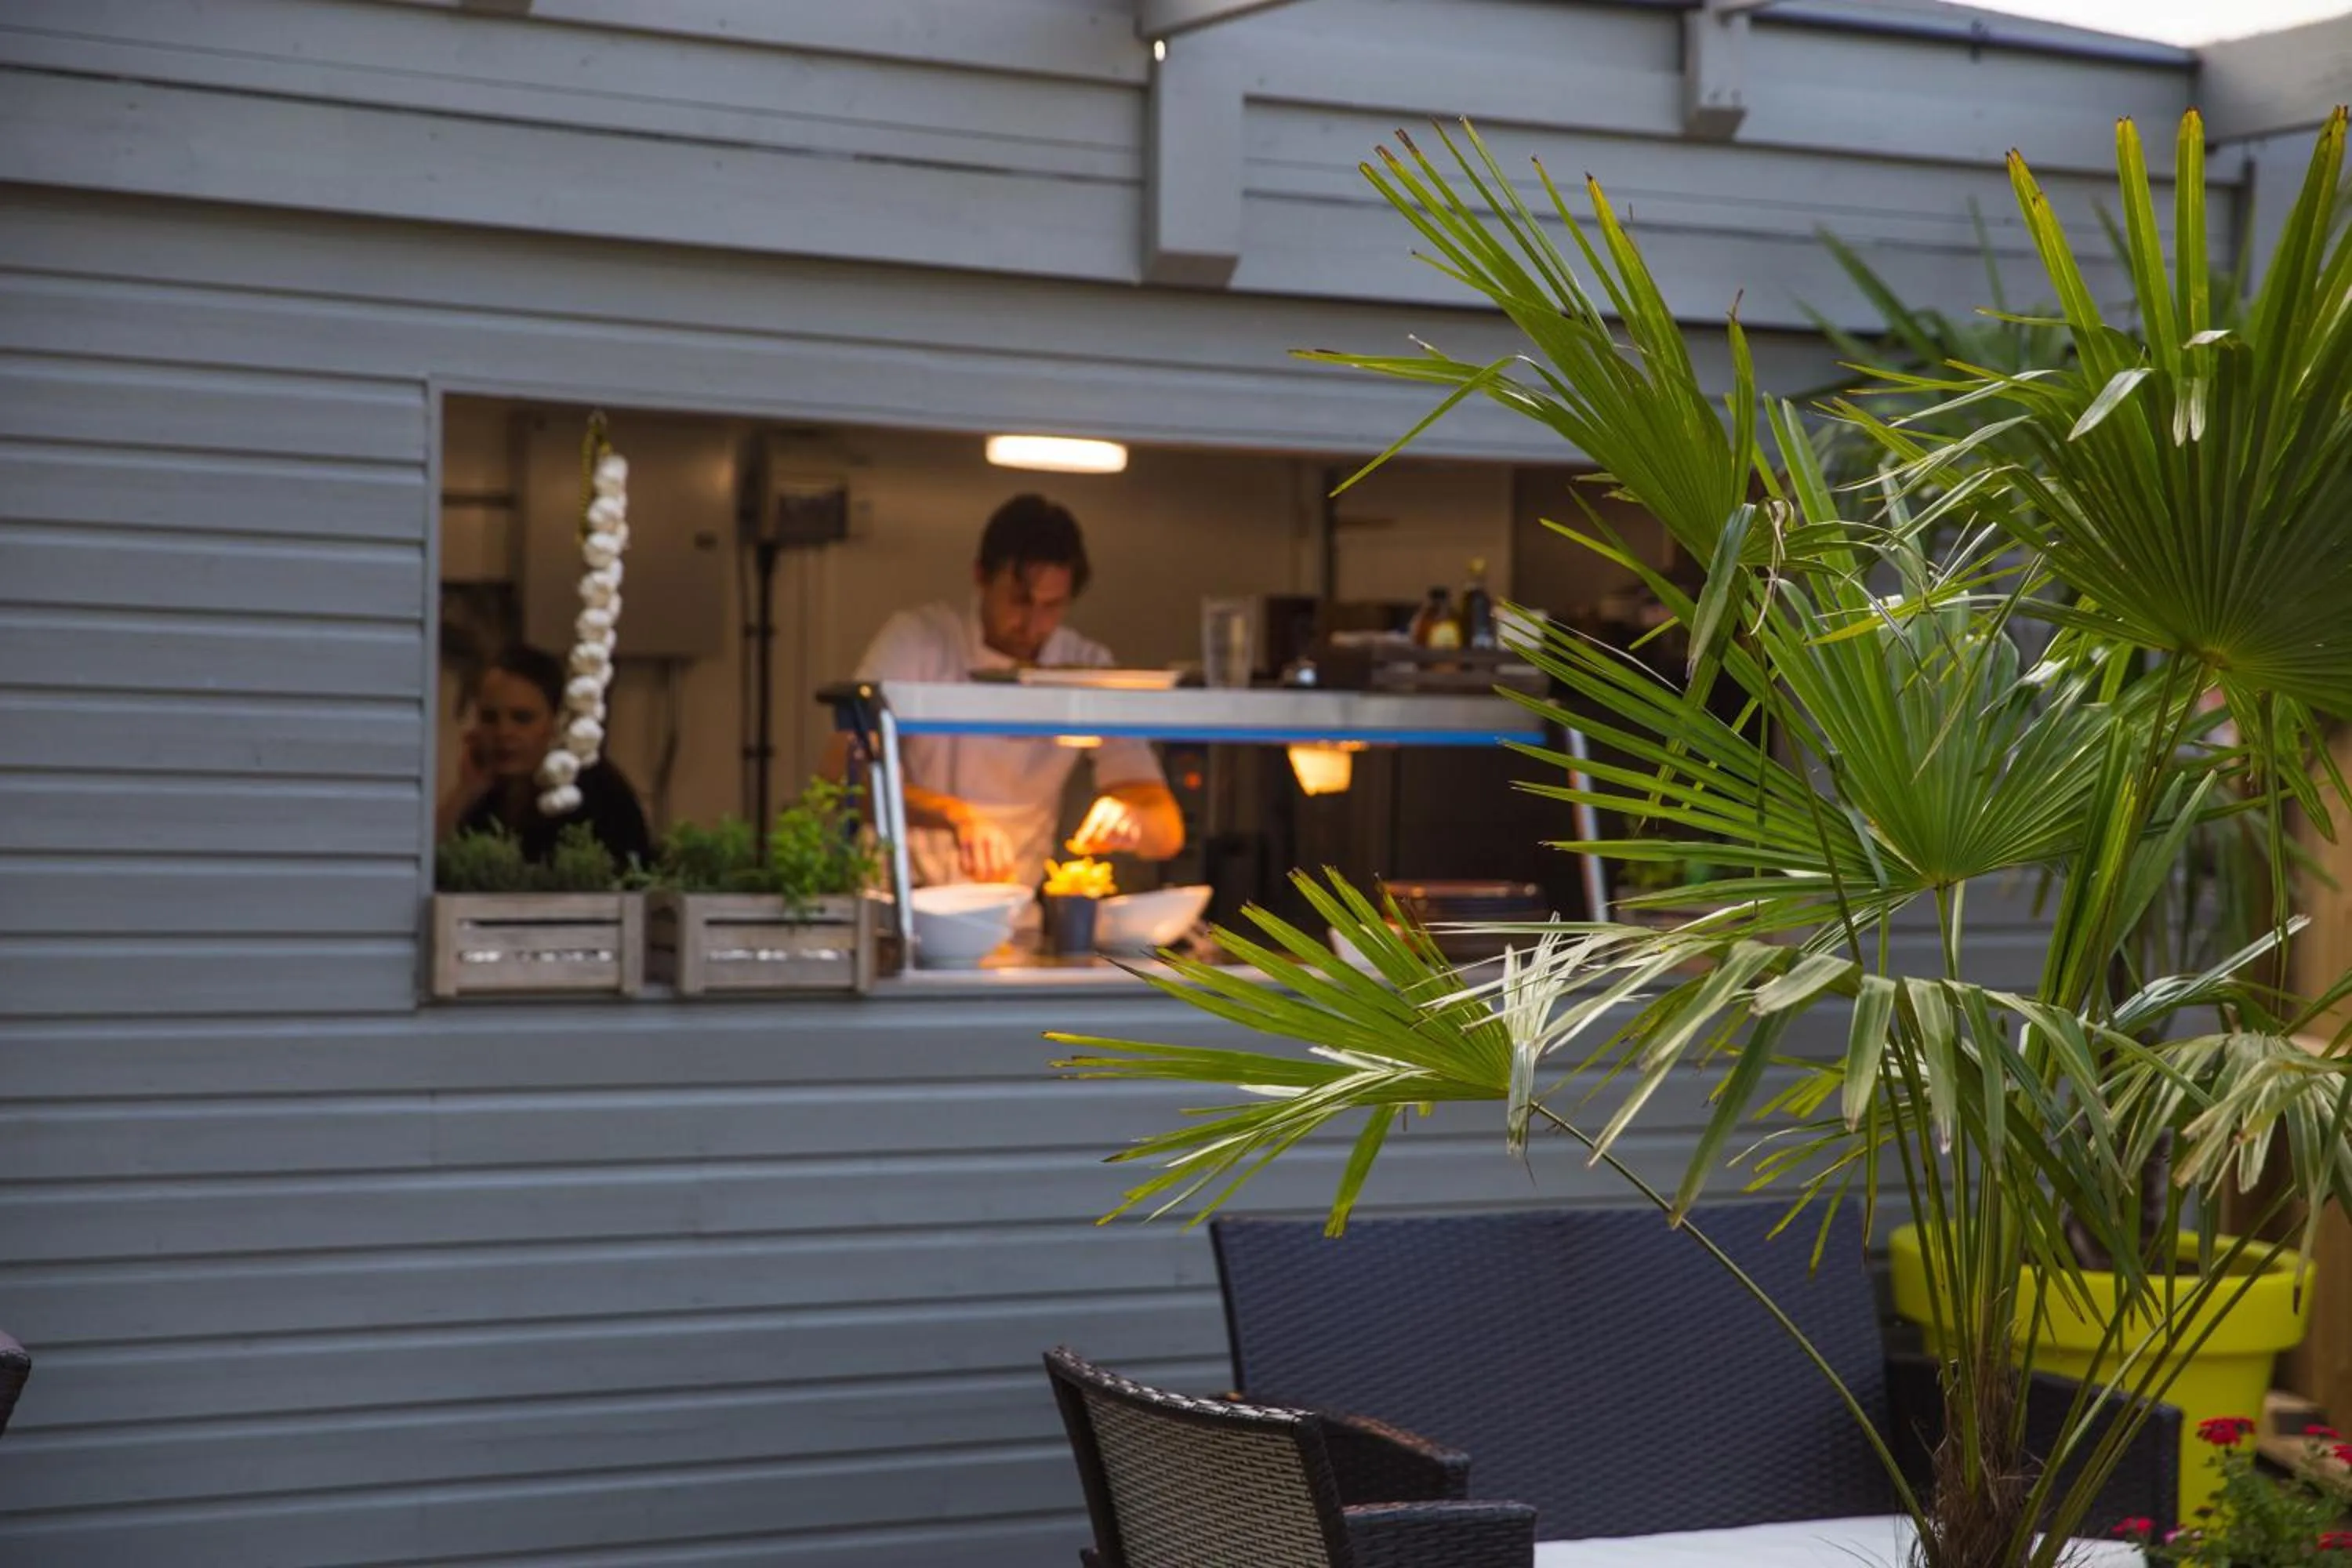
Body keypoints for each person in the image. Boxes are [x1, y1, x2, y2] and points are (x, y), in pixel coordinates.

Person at [829, 493, 1185, 887]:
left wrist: (1131, 815)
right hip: (901, 907)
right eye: (1020, 601)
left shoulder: (1085, 666)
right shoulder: (917, 640)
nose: (1034, 625)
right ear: (981, 576)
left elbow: (1167, 832)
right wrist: (957, 816)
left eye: (1053, 606)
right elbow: (840, 778)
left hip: (1012, 922)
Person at [436, 644, 652, 871]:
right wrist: (464, 792)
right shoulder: (486, 797)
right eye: (490, 718)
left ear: (557, 724)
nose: (503, 733)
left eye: (522, 718)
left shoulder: (596, 791)